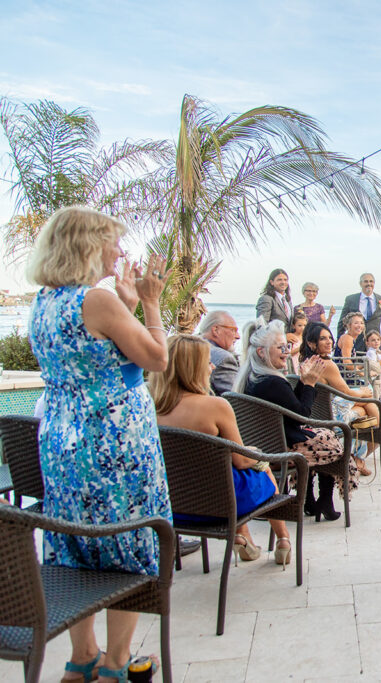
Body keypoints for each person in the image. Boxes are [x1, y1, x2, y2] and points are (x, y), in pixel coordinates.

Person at [26, 206, 171, 681]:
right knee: (127, 540)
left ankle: (82, 657)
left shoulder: (44, 302)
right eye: (112, 241)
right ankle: (115, 663)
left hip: (63, 438)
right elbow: (156, 359)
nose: (119, 250)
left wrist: (125, 306)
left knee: (75, 543)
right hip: (114, 441)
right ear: (88, 245)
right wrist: (149, 302)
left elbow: (99, 353)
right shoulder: (96, 301)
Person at [149, 335, 292, 565]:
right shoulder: (215, 406)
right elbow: (242, 460)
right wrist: (256, 452)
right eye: (207, 362)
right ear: (192, 368)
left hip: (173, 505)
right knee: (260, 467)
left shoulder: (151, 408)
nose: (213, 367)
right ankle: (283, 540)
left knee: (223, 472)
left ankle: (243, 539)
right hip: (221, 503)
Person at [236, 320, 347, 522]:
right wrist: (310, 384)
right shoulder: (273, 382)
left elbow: (291, 407)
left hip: (262, 445)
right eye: (281, 348)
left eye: (287, 346)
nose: (287, 352)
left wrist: (303, 381)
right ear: (261, 352)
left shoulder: (251, 378)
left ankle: (310, 500)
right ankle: (324, 500)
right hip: (282, 449)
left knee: (320, 435)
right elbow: (302, 415)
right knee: (331, 440)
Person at [301, 322, 381, 464]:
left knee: (366, 410)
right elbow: (346, 392)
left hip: (315, 415)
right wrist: (363, 393)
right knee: (369, 412)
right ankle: (366, 453)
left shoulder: (307, 361)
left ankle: (364, 454)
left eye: (329, 337)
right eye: (323, 339)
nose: (329, 341)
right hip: (331, 418)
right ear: (311, 343)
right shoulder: (327, 364)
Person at [340, 272, 381, 353]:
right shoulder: (351, 299)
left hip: (374, 343)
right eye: (366, 281)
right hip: (355, 342)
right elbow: (342, 321)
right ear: (360, 284)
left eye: (371, 281)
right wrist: (340, 338)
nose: (369, 284)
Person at [199, 310, 241, 396]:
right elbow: (236, 396)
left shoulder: (188, 346)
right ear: (216, 330)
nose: (238, 336)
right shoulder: (223, 358)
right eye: (233, 330)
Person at [285, 309, 308, 374]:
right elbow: (288, 354)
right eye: (299, 325)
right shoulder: (291, 337)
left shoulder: (306, 337)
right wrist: (300, 348)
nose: (302, 328)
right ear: (294, 326)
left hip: (305, 363)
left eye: (304, 325)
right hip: (293, 363)